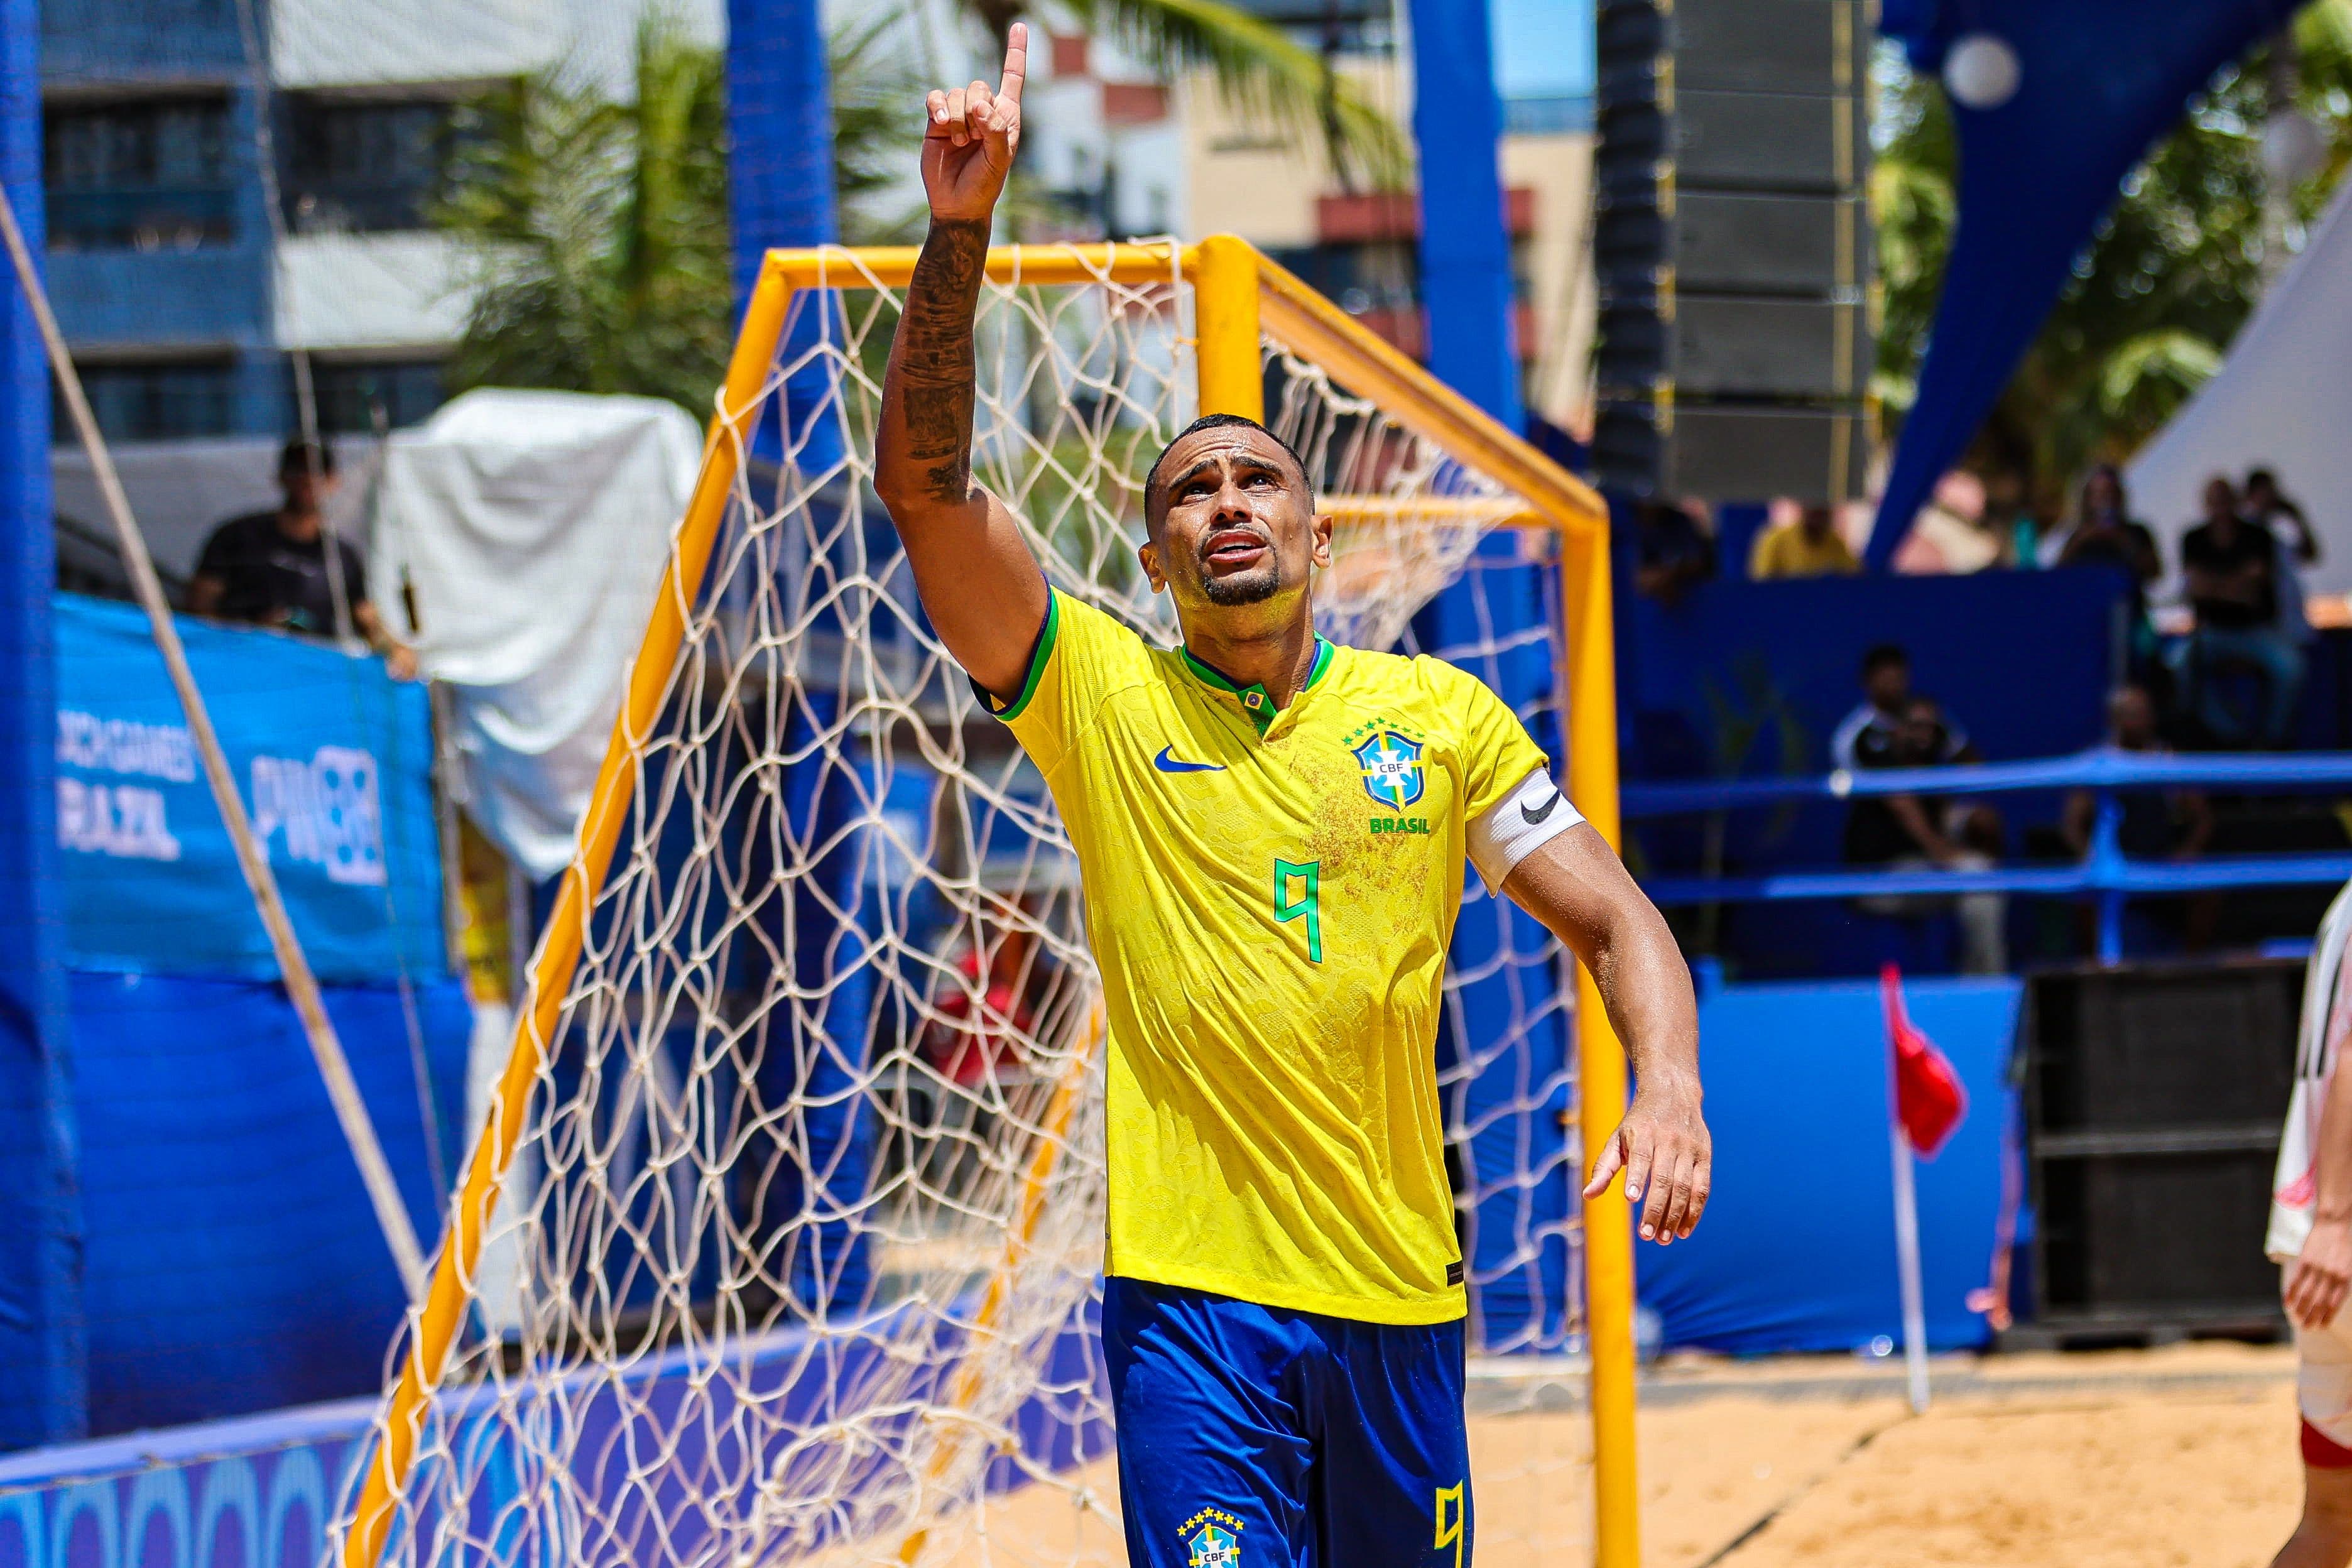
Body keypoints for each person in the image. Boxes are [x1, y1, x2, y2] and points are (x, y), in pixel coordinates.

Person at [874, 33, 1710, 1567]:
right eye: (1189, 492)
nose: (1225, 503)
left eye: (1256, 479)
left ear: (1321, 538)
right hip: (1192, 1311)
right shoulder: (1096, 692)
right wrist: (958, 231)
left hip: (1396, 1294)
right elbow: (927, 494)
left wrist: (1665, 1085)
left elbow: (1615, 919)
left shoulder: (1438, 716)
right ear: (1153, 562)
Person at [2265, 880, 2352, 1568]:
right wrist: (2339, 1218)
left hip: (2313, 1250)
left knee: (2330, 1523)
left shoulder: (2344, 904)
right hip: (2337, 1231)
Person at [1834, 646, 2006, 974]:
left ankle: (1980, 979)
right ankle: (1985, 980)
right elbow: (1901, 805)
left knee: (1982, 848)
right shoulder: (1859, 737)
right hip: (1882, 869)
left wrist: (1959, 811)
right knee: (1977, 878)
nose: (1893, 686)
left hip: (1924, 857)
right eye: (1885, 678)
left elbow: (1972, 765)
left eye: (1899, 678)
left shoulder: (1928, 722)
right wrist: (1945, 852)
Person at [189, 437, 416, 678]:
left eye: (318, 471)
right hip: (243, 670)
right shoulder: (237, 537)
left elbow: (368, 621)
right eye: (298, 470)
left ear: (333, 480)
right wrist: (252, 633)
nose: (308, 479)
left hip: (311, 677)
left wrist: (397, 649)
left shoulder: (342, 556)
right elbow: (197, 613)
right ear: (281, 477)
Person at [2169, 474, 2304, 747]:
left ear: (2236, 501)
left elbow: (2253, 589)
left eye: (2225, 500)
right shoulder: (2194, 538)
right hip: (2211, 633)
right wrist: (2235, 584)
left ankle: (2272, 739)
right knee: (2178, 664)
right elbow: (2196, 588)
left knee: (2291, 667)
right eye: (2214, 501)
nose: (2220, 507)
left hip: (2255, 630)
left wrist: (2214, 585)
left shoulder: (2258, 536)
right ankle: (2228, 734)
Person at [2248, 467, 2321, 649]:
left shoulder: (2280, 529)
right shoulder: (2245, 532)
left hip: (2290, 617)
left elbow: (2310, 554)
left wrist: (2297, 518)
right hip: (2263, 623)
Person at [1633, 496, 1716, 605]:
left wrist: (1671, 574)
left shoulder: (1679, 523)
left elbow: (1698, 561)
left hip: (1695, 601)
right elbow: (1641, 579)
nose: (1648, 505)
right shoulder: (1632, 527)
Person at [1748, 501, 1859, 580]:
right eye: (1813, 508)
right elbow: (1761, 585)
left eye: (1823, 508)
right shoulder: (1775, 541)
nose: (1818, 514)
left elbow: (1856, 576)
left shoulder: (1835, 543)